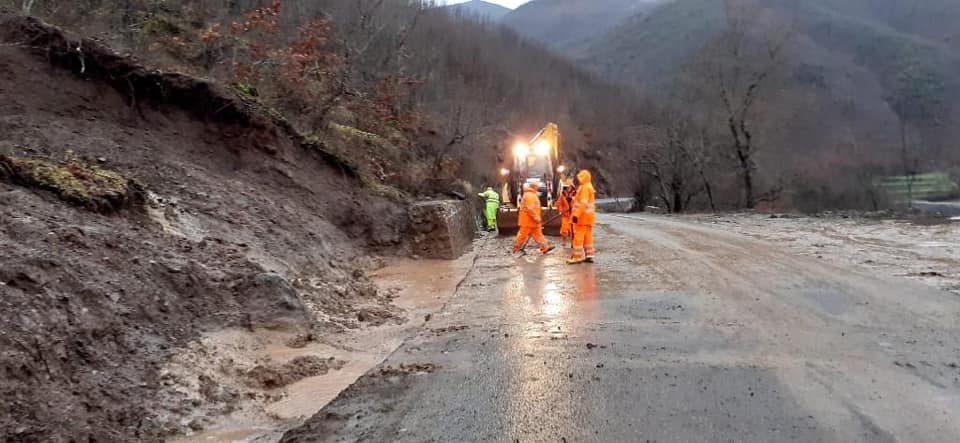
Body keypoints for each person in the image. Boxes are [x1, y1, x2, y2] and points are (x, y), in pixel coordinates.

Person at [512, 181, 555, 255]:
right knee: (522, 235)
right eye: (537, 186)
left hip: (532, 221)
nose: (538, 187)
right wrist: (536, 218)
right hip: (528, 220)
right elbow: (530, 208)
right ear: (534, 187)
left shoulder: (531, 194)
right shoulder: (530, 195)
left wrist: (536, 218)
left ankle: (545, 248)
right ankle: (515, 249)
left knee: (538, 235)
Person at [568, 169, 596, 265]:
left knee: (578, 236)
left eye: (580, 177)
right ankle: (589, 255)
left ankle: (577, 257)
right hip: (589, 217)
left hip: (582, 217)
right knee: (588, 237)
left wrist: (576, 215)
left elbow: (583, 203)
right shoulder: (589, 186)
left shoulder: (584, 187)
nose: (579, 179)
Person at [557, 179, 576, 248]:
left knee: (573, 231)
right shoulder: (562, 195)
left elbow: (578, 204)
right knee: (564, 230)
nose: (568, 188)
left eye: (569, 186)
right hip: (565, 215)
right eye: (566, 187)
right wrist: (561, 210)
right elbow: (559, 204)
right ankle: (564, 242)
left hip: (573, 215)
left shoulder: (575, 194)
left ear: (571, 186)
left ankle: (573, 243)